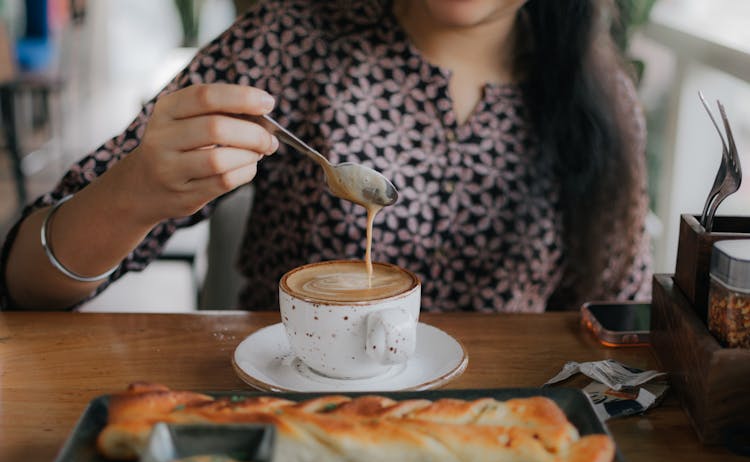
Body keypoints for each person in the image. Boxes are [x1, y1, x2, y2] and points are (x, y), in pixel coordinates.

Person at [0, 0, 652, 313]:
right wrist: (132, 193)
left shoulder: (603, 101)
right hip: (290, 428)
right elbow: (24, 278)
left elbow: (621, 322)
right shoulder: (288, 42)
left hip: (505, 445)